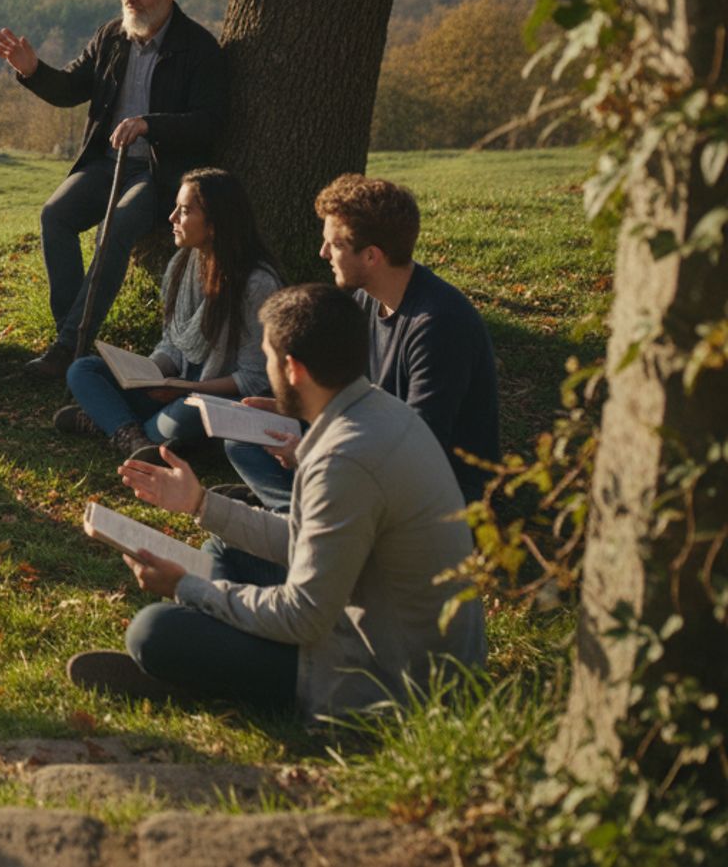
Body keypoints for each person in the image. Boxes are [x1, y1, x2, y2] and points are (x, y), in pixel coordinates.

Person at [65, 283, 484, 716]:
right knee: (225, 549)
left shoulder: (344, 460)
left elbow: (304, 616)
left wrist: (184, 588)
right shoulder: (373, 411)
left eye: (267, 357)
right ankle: (216, 660)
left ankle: (207, 675)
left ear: (293, 369)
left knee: (151, 632)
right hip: (383, 622)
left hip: (391, 678)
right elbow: (308, 539)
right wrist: (200, 503)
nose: (264, 368)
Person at [0, 0, 225, 380]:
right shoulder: (111, 36)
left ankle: (65, 351)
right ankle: (71, 341)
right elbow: (70, 89)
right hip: (106, 163)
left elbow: (208, 123)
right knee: (55, 215)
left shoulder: (199, 48)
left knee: (115, 228)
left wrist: (149, 125)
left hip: (158, 173)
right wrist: (32, 69)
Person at [226, 175, 501, 511]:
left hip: (436, 495)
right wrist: (294, 412)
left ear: (371, 256)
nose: (323, 252)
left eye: (335, 245)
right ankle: (293, 510)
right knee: (243, 441)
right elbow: (348, 399)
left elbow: (417, 449)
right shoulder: (366, 300)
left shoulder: (438, 325)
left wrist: (312, 454)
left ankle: (291, 517)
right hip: (372, 449)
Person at [56, 168, 280, 459]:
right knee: (83, 369)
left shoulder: (257, 284)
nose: (172, 218)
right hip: (175, 388)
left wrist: (186, 389)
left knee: (187, 413)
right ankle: (134, 434)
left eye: (184, 211)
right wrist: (148, 374)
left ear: (214, 224)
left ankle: (118, 426)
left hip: (214, 397)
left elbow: (254, 378)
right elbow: (172, 343)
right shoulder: (181, 266)